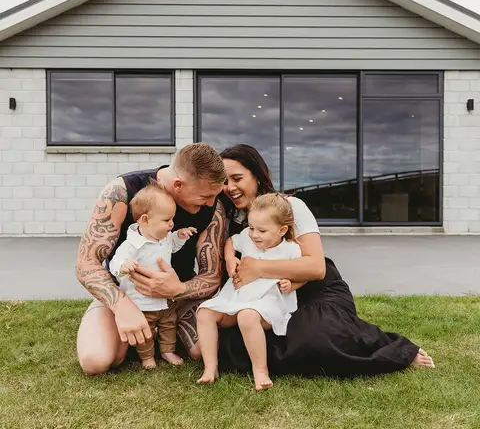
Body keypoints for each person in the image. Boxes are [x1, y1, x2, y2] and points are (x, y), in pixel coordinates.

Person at [216, 144, 435, 379]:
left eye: (237, 178)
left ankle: (396, 348)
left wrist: (258, 268)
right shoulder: (230, 217)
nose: (230, 187)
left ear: (257, 176)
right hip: (268, 299)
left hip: (314, 291)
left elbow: (316, 268)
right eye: (224, 181)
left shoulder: (291, 206)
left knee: (315, 338)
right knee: (234, 343)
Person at [75, 143, 227, 375]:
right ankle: (131, 333)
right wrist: (122, 306)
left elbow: (212, 276)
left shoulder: (213, 207)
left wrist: (177, 289)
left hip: (177, 300)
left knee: (200, 350)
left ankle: (159, 335)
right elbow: (86, 263)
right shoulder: (122, 192)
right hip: (125, 294)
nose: (210, 203)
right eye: (205, 196)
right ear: (178, 185)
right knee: (97, 360)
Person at [197, 193, 304, 390]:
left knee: (246, 316)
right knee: (205, 313)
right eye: (252, 227)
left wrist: (293, 284)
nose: (254, 234)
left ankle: (260, 370)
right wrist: (230, 259)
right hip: (237, 295)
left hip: (267, 301)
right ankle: (210, 367)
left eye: (262, 230)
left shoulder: (291, 249)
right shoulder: (247, 237)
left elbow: (302, 274)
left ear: (282, 230)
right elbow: (230, 242)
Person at [109, 182, 198, 369]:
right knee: (146, 331)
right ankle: (147, 357)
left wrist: (180, 236)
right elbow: (115, 262)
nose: (172, 224)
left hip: (164, 299)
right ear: (144, 220)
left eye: (172, 219)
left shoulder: (164, 238)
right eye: (167, 220)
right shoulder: (131, 245)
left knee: (168, 325)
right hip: (141, 301)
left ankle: (167, 350)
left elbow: (172, 245)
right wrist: (124, 266)